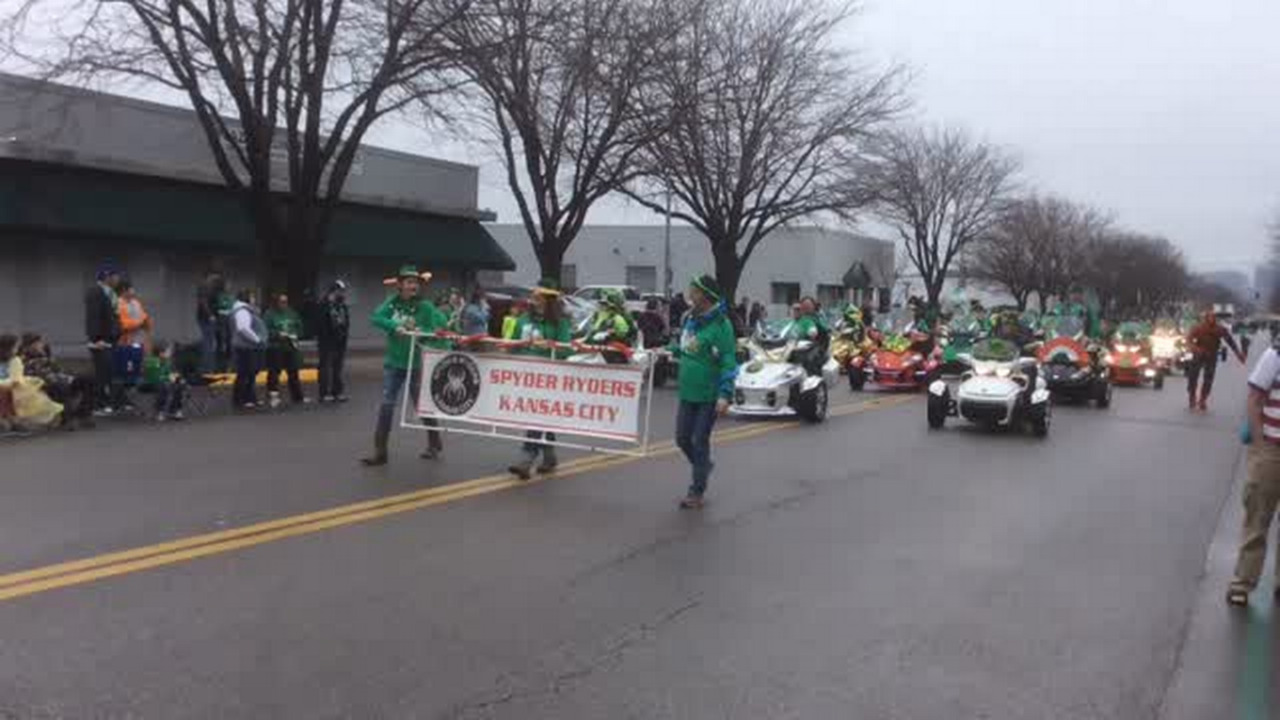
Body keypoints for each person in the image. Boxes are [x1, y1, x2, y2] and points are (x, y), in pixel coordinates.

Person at [362, 266, 449, 466]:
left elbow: (434, 329)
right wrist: (395, 326)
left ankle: (434, 442)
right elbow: (376, 317)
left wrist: (418, 330)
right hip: (394, 362)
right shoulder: (392, 303)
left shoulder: (425, 307)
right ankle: (380, 451)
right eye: (409, 282)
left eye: (416, 283)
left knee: (420, 405)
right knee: (386, 404)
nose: (413, 286)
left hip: (416, 363)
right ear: (400, 285)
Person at [668, 275, 737, 509]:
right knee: (682, 438)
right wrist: (665, 350)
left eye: (694, 291)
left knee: (699, 440)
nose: (690, 295)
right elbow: (686, 347)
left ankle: (696, 490)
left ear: (706, 296)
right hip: (687, 392)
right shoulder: (690, 320)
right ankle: (703, 465)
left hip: (709, 394)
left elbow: (729, 359)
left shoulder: (721, 325)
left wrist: (725, 394)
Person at [1227, 342, 1280, 606]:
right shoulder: (1275, 354)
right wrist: (1260, 444)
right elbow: (1254, 398)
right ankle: (1243, 581)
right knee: (1258, 515)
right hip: (1272, 450)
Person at [506, 279, 574, 480]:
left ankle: (526, 459)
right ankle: (549, 455)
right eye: (533, 295)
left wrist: (549, 346)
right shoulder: (523, 319)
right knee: (540, 417)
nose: (533, 299)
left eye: (539, 296)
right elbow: (513, 344)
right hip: (526, 376)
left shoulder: (559, 322)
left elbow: (566, 350)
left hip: (549, 378)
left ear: (548, 300)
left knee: (538, 416)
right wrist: (509, 349)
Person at [19, 333, 95, 429]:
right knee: (61, 386)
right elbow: (34, 375)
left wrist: (68, 376)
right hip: (43, 385)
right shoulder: (23, 358)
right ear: (30, 345)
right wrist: (45, 360)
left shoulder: (45, 354)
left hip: (60, 379)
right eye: (38, 343)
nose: (41, 344)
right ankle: (67, 418)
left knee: (87, 380)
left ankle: (84, 414)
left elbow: (58, 370)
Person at [0, 333, 64, 431]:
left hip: (13, 388)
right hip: (7, 387)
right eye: (15, 347)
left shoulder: (15, 360)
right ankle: (9, 420)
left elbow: (15, 379)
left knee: (8, 393)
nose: (17, 350)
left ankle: (12, 420)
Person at [1185, 310, 1245, 412]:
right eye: (1209, 317)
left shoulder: (1220, 329)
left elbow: (1230, 341)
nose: (1211, 319)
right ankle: (1192, 397)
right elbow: (1188, 340)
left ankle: (1203, 399)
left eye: (1213, 318)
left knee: (1208, 378)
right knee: (1193, 377)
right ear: (1205, 318)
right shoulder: (1198, 328)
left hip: (1211, 355)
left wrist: (1238, 353)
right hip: (1198, 355)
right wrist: (1195, 349)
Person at [84, 263, 124, 415]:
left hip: (111, 338)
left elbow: (114, 315)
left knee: (109, 372)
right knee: (101, 372)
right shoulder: (95, 292)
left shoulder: (110, 292)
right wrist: (96, 338)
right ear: (107, 277)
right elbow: (93, 317)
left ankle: (111, 402)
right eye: (116, 276)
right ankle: (98, 404)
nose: (118, 279)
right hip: (100, 339)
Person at [264, 293, 306, 407]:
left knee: (293, 372)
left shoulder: (292, 313)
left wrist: (296, 334)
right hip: (276, 347)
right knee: (274, 373)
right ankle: (273, 396)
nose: (284, 304)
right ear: (276, 303)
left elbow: (300, 327)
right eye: (281, 302)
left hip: (290, 346)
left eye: (286, 302)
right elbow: (265, 330)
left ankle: (297, 396)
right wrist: (278, 334)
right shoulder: (269, 314)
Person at [229, 289, 268, 410]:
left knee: (250, 373)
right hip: (245, 347)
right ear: (246, 298)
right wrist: (257, 339)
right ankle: (242, 399)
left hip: (248, 347)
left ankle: (250, 398)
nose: (254, 299)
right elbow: (243, 328)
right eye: (252, 297)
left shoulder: (247, 310)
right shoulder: (242, 311)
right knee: (246, 373)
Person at [316, 280, 351, 403]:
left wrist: (344, 335)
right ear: (333, 291)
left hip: (340, 341)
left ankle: (337, 392)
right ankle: (324, 393)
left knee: (338, 367)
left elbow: (346, 322)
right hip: (327, 341)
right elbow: (320, 324)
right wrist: (326, 337)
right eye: (340, 291)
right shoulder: (323, 305)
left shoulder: (342, 305)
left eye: (342, 291)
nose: (342, 293)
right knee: (325, 366)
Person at [114, 279, 151, 392]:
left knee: (136, 360)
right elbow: (124, 324)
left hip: (138, 339)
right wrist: (140, 324)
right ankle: (126, 385)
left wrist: (147, 323)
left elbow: (144, 316)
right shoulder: (119, 304)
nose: (133, 291)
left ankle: (134, 383)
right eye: (130, 289)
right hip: (126, 340)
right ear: (124, 290)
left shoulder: (135, 302)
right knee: (127, 363)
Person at [143, 341, 186, 422]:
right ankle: (160, 411)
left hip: (164, 382)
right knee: (163, 385)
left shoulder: (167, 361)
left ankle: (175, 410)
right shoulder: (152, 361)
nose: (170, 353)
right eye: (168, 351)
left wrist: (178, 378)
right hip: (149, 383)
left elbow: (170, 373)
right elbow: (155, 376)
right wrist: (169, 377)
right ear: (161, 353)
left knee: (178, 385)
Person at [196, 271, 225, 372]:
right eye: (215, 278)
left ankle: (210, 367)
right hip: (206, 318)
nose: (217, 280)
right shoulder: (205, 287)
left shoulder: (212, 288)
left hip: (209, 317)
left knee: (212, 343)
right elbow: (203, 302)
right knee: (209, 343)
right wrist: (210, 315)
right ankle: (207, 368)